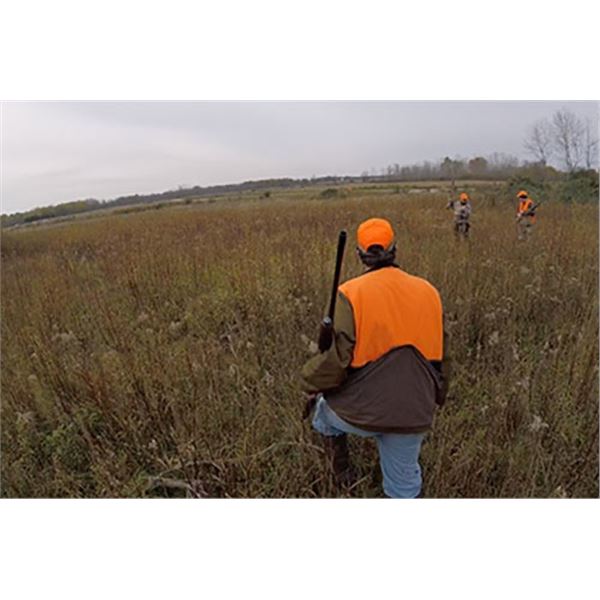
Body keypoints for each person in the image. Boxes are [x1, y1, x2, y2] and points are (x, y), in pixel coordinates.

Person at [300, 218, 451, 498]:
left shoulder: (349, 293)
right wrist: (436, 399)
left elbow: (337, 360)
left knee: (321, 413)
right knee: (404, 488)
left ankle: (341, 476)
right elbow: (443, 360)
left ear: (359, 254)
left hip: (358, 412)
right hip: (413, 411)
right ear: (395, 249)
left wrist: (310, 382)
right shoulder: (430, 291)